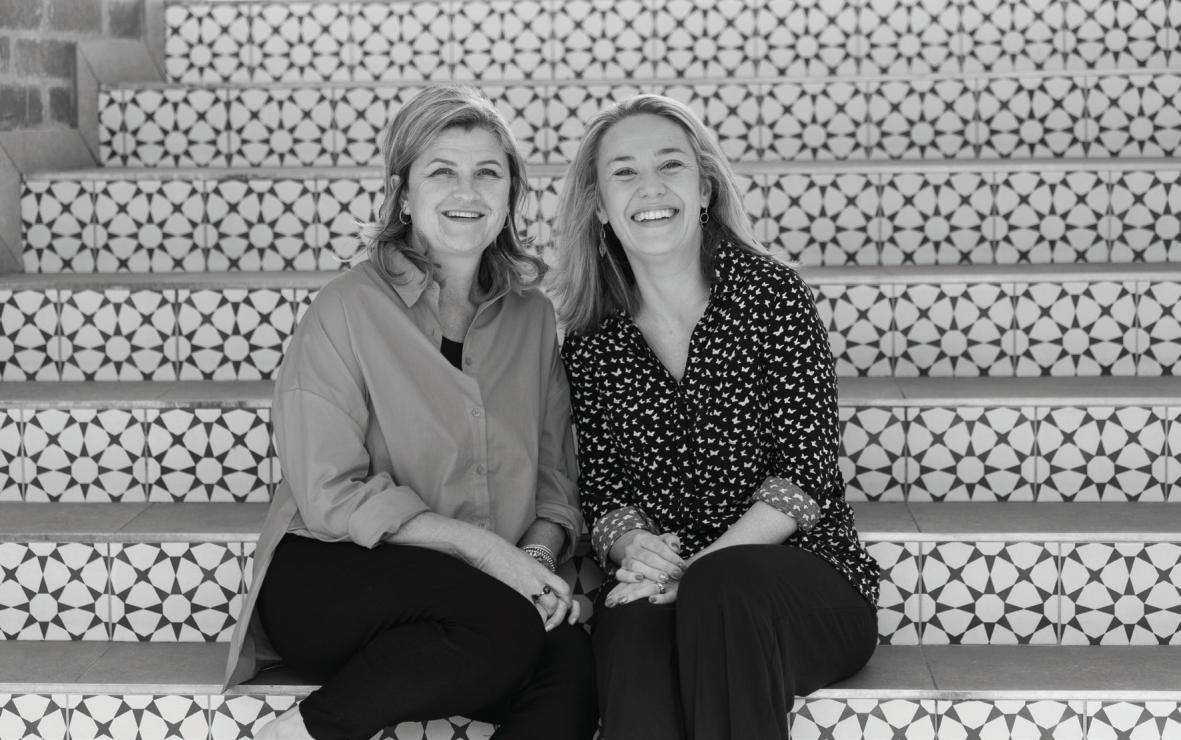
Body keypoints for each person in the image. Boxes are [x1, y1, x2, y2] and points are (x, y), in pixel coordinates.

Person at [223, 85, 597, 740]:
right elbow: (330, 493)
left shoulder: (532, 317)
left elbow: (555, 476)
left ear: (511, 194)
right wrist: (488, 553)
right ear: (402, 194)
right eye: (442, 171)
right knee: (504, 624)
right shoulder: (345, 308)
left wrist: (535, 558)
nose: (467, 191)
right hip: (336, 571)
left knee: (571, 665)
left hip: (480, 602)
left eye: (488, 173)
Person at [551, 93, 881, 740]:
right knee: (633, 636)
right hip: (666, 586)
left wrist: (696, 570)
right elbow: (604, 492)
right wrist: (631, 545)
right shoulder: (591, 340)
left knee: (720, 590)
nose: (650, 186)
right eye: (624, 172)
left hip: (802, 586)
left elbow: (804, 476)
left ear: (703, 187)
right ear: (600, 206)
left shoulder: (772, 296)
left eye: (670, 164)